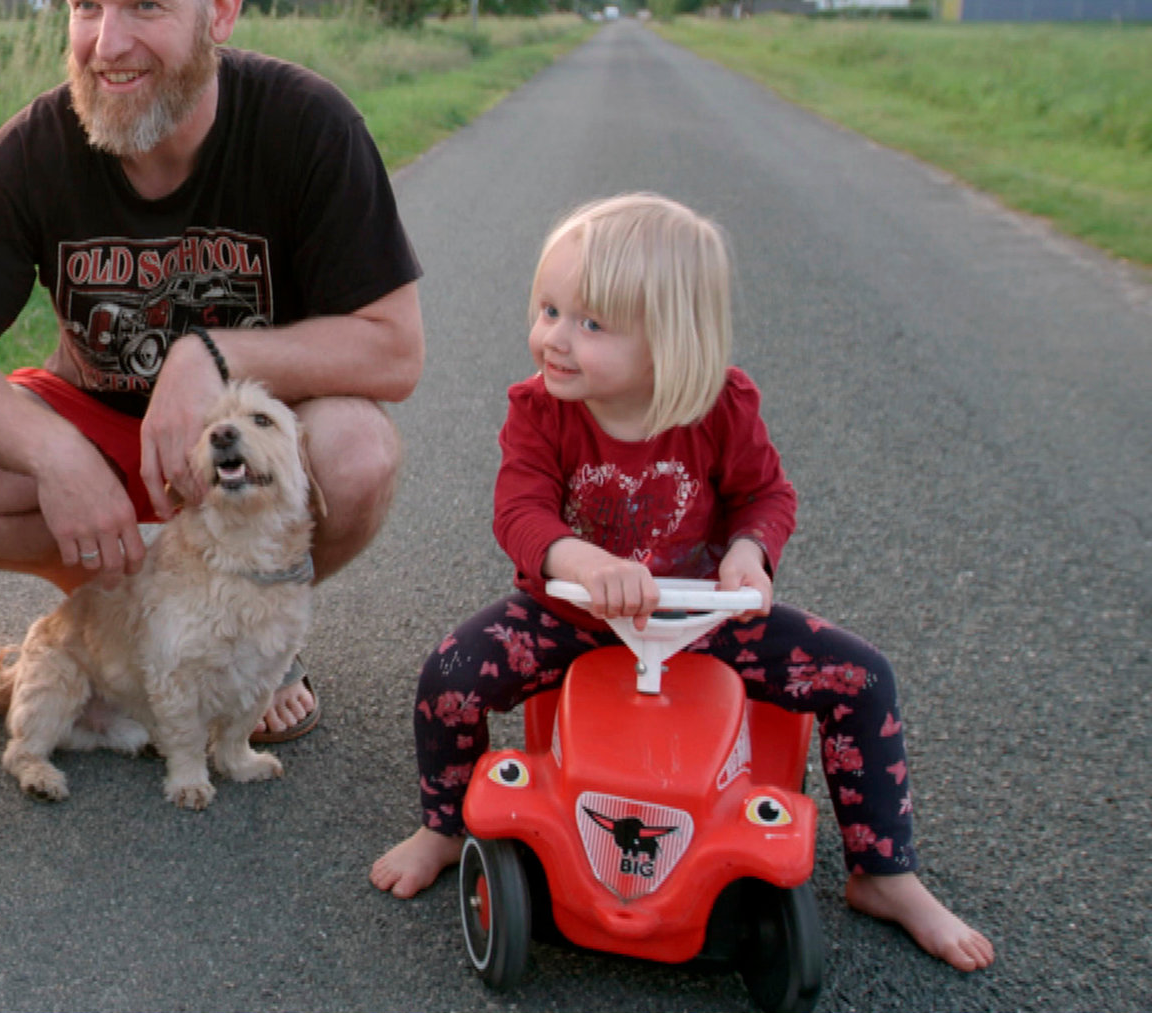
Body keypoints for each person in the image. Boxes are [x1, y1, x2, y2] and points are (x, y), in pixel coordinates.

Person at [368, 193, 993, 972]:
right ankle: (443, 824)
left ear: (669, 343)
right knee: (451, 674)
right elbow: (519, 510)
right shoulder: (539, 411)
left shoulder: (719, 406)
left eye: (590, 324)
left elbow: (767, 496)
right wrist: (581, 563)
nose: (554, 340)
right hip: (575, 615)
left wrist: (747, 554)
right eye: (549, 309)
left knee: (859, 677)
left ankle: (884, 871)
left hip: (707, 618)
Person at [0, 0, 424, 743]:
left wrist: (210, 356)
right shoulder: (34, 148)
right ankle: (113, 618)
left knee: (356, 451)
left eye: (144, 7)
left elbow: (393, 351)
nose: (106, 43)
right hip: (103, 444)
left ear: (219, 9)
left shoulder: (308, 126)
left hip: (234, 454)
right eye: (84, 6)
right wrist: (55, 457)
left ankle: (257, 639)